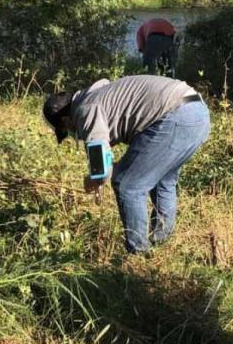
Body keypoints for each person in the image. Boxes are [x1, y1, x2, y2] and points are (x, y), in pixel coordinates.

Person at [43, 75, 210, 254]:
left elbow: (101, 169)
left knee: (127, 185)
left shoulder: (86, 109)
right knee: (163, 182)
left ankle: (138, 256)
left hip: (173, 116)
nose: (73, 135)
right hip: (197, 113)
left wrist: (94, 179)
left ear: (66, 121)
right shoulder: (98, 96)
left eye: (68, 132)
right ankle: (161, 247)